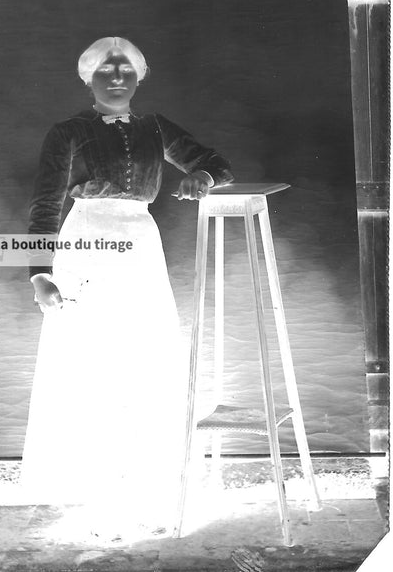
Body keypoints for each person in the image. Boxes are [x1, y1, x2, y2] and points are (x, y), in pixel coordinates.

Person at [20, 36, 233, 540]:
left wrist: (201, 176)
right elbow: (45, 204)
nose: (116, 76)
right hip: (85, 247)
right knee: (94, 370)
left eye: (125, 68)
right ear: (88, 77)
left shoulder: (155, 127)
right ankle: (102, 505)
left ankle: (148, 498)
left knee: (145, 364)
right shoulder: (68, 132)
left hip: (140, 247)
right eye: (105, 69)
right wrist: (39, 273)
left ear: (138, 76)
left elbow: (217, 164)